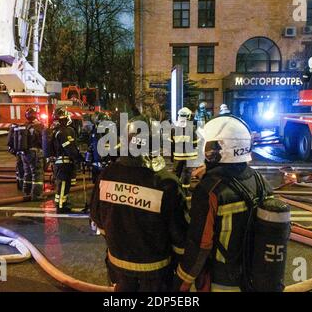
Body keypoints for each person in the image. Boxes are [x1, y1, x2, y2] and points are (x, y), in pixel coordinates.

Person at [174, 115, 291, 292]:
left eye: (208, 147)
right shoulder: (260, 181)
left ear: (220, 149)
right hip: (254, 279)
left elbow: (200, 245)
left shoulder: (210, 192)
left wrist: (181, 283)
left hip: (222, 282)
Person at [90, 114, 188, 292]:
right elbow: (179, 235)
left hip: (117, 266)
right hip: (156, 273)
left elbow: (97, 219)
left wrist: (116, 240)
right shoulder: (167, 183)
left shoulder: (107, 174)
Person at [51, 108, 83, 214]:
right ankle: (61, 206)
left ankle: (62, 203)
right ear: (64, 119)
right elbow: (69, 148)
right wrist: (79, 158)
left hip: (60, 162)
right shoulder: (64, 132)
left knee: (63, 185)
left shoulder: (56, 130)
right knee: (63, 185)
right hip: (64, 163)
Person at [18, 108, 45, 201]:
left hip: (24, 153)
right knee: (37, 174)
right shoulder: (39, 126)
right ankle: (37, 196)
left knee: (27, 173)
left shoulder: (24, 126)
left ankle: (26, 192)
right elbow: (43, 140)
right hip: (35, 152)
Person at [171, 107, 199, 195]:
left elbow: (171, 144)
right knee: (187, 174)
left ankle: (175, 191)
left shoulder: (174, 128)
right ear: (188, 116)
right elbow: (195, 143)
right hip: (190, 156)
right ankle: (186, 193)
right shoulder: (192, 128)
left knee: (176, 173)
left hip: (178, 156)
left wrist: (172, 156)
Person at [7, 124, 24, 190]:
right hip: (22, 152)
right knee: (24, 170)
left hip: (17, 152)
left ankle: (20, 186)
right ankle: (24, 187)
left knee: (19, 169)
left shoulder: (13, 132)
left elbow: (9, 144)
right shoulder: (22, 132)